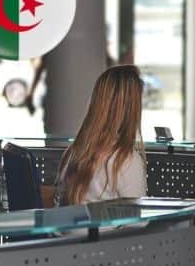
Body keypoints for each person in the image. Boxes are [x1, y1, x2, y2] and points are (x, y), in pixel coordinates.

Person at [54, 65, 147, 205]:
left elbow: (58, 203)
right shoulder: (126, 160)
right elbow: (137, 216)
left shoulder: (73, 153)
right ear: (132, 108)